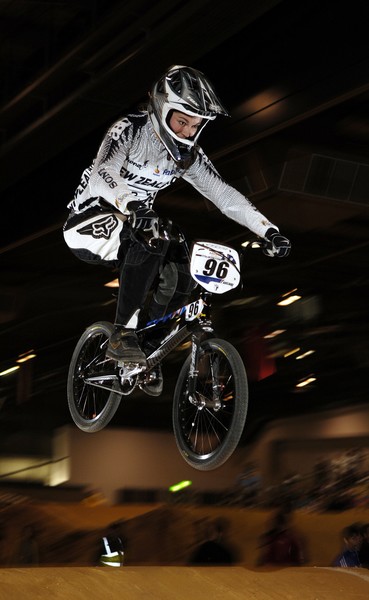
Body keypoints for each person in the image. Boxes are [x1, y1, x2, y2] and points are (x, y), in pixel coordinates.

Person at [63, 65, 291, 384]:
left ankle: (146, 349)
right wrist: (132, 206)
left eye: (194, 125)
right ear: (160, 109)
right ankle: (122, 334)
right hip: (87, 223)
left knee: (182, 263)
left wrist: (267, 229)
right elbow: (104, 175)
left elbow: (223, 194)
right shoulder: (129, 130)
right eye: (181, 121)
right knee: (154, 231)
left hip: (133, 226)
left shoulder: (186, 155)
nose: (186, 131)